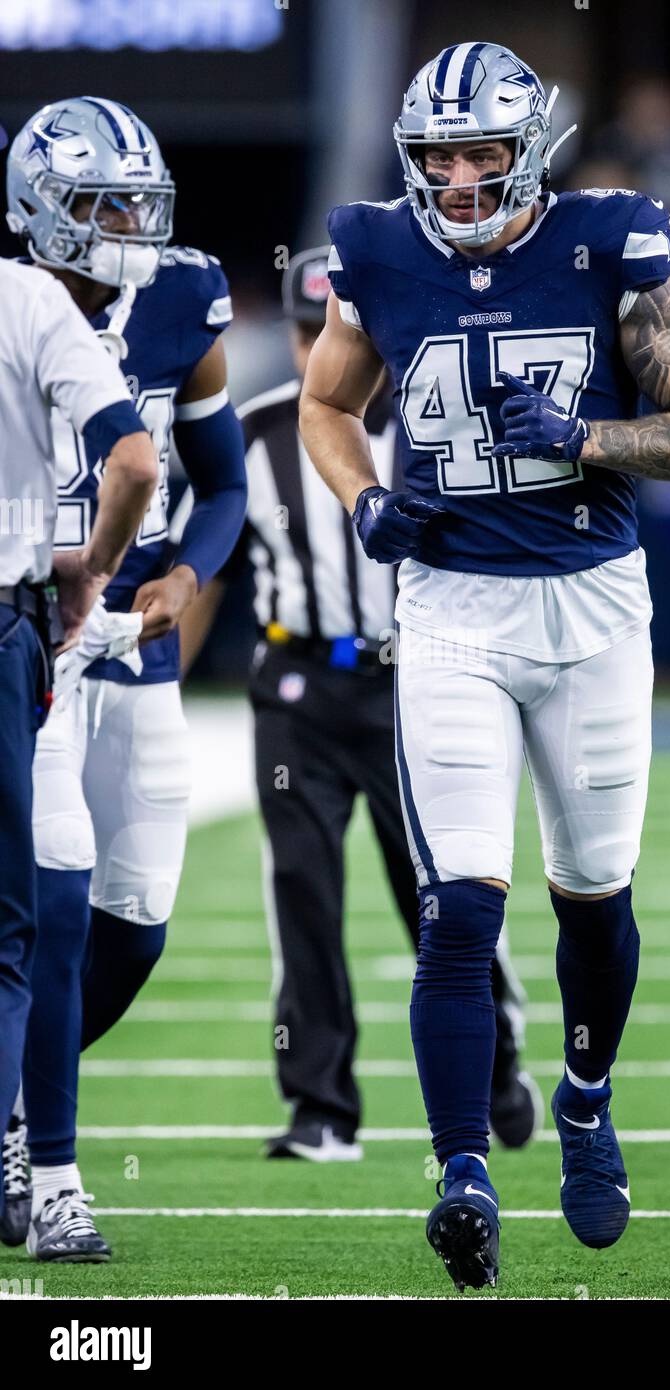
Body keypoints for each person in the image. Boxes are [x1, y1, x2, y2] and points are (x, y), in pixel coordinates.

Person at [300, 41, 670, 1290]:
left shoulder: (610, 238)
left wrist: (589, 433)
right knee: (458, 914)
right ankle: (461, 1172)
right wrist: (360, 504)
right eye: (432, 156)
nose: (450, 176)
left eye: (476, 152)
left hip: (592, 611)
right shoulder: (375, 250)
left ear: (526, 151)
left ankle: (586, 1099)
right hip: (449, 614)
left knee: (592, 900)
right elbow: (328, 407)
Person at [180, 245, 538, 1162]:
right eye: (302, 333)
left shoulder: (430, 427)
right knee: (300, 889)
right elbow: (207, 571)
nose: (313, 352)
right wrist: (160, 686)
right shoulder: (255, 436)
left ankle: (496, 1063)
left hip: (409, 680)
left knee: (441, 887)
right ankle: (321, 1107)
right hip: (294, 689)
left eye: (327, 330)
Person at [0, 96, 247, 1262]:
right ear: (43, 212)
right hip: (33, 635)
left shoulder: (182, 299)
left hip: (133, 652)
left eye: (137, 202)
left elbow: (225, 482)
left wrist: (186, 580)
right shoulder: (13, 308)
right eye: (102, 203)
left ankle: (7, 1104)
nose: (126, 226)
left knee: (131, 931)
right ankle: (53, 1180)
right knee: (47, 909)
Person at [0, 251, 158, 1245]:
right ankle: (36, 1163)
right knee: (12, 935)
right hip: (8, 619)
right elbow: (136, 460)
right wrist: (93, 569)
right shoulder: (28, 299)